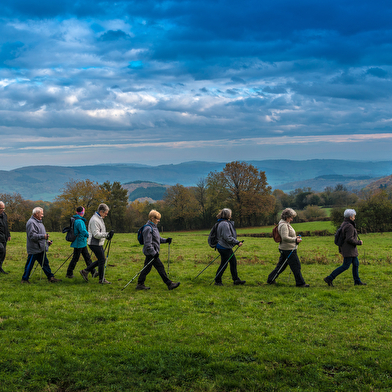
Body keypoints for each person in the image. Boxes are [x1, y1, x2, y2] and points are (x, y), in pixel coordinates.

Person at [136, 209, 180, 290]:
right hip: (151, 253)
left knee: (147, 268)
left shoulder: (154, 227)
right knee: (160, 267)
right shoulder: (148, 229)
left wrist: (166, 240)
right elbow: (148, 244)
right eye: (157, 219)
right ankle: (169, 284)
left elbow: (157, 239)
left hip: (153, 252)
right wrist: (154, 253)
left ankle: (140, 284)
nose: (159, 220)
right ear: (152, 218)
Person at [267, 208, 309, 287]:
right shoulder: (284, 225)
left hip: (285, 248)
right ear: (287, 217)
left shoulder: (284, 223)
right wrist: (295, 240)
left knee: (281, 266)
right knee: (296, 266)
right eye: (291, 217)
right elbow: (285, 238)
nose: (292, 219)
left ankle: (270, 279)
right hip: (288, 249)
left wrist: (295, 237)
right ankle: (300, 283)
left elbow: (287, 236)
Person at [324, 209, 366, 286]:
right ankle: (329, 278)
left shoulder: (344, 223)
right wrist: (359, 242)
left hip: (349, 249)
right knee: (345, 266)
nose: (354, 218)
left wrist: (340, 249)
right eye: (354, 216)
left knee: (356, 264)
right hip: (349, 250)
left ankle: (357, 281)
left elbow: (341, 237)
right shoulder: (349, 226)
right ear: (350, 217)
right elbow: (349, 239)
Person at [21, 207, 61, 283]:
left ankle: (51, 278)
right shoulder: (31, 222)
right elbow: (32, 236)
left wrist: (47, 243)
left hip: (40, 248)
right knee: (30, 264)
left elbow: (40, 235)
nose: (42, 215)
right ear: (36, 214)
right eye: (41, 213)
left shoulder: (39, 222)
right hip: (34, 249)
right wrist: (43, 236)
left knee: (45, 263)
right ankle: (24, 279)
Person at [80, 203, 113, 284]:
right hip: (94, 243)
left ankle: (86, 271)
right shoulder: (95, 220)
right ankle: (101, 279)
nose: (106, 215)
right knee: (102, 260)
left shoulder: (99, 218)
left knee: (102, 260)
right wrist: (106, 235)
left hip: (98, 243)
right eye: (105, 213)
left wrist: (107, 235)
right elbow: (96, 234)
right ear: (101, 211)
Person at [214, 208, 245, 286]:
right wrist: (237, 242)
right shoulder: (224, 224)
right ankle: (217, 281)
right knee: (224, 264)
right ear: (228, 215)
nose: (231, 215)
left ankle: (236, 280)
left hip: (224, 246)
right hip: (223, 247)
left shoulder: (222, 222)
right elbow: (227, 237)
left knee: (233, 262)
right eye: (230, 214)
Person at [65, 206, 97, 278]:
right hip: (79, 243)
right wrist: (89, 235)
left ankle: (93, 271)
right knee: (76, 258)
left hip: (81, 242)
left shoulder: (77, 219)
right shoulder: (79, 221)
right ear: (82, 212)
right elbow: (82, 231)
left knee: (87, 257)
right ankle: (69, 273)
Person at [0, 201, 11, 274]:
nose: (3, 210)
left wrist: (8, 234)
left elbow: (6, 226)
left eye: (3, 208)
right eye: (1, 208)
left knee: (3, 254)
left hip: (4, 237)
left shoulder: (4, 215)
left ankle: (0, 268)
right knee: (1, 250)